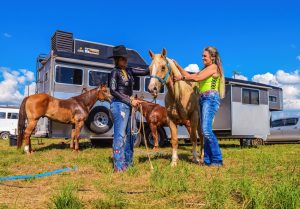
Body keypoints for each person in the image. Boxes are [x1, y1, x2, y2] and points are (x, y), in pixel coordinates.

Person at [173, 46, 225, 166]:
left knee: (206, 130)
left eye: (204, 56)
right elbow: (191, 76)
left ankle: (217, 160)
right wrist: (178, 66)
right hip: (203, 99)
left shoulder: (214, 67)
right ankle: (207, 160)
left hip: (210, 98)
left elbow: (196, 78)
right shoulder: (205, 69)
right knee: (203, 131)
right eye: (202, 56)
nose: (202, 58)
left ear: (212, 57)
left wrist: (181, 77)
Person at [108, 45, 149, 172]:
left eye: (125, 58)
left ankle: (128, 162)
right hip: (119, 105)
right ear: (117, 60)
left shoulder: (130, 71)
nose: (125, 61)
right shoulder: (114, 72)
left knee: (132, 134)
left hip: (129, 105)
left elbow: (146, 72)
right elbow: (113, 91)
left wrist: (156, 62)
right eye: (122, 59)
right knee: (120, 135)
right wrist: (130, 100)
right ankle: (119, 166)